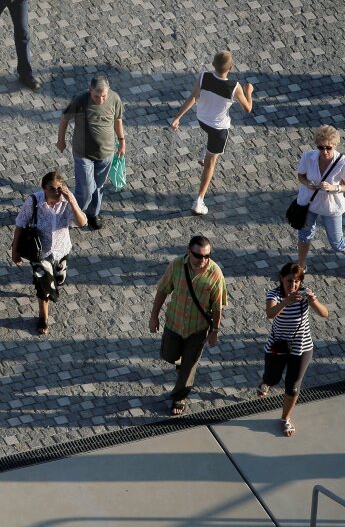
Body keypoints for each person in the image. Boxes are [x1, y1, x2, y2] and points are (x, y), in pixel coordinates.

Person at [148, 235, 228, 417]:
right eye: (199, 256)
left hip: (197, 329)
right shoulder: (177, 265)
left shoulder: (215, 273)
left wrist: (214, 331)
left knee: (189, 366)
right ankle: (180, 364)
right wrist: (154, 317)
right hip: (174, 323)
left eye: (207, 256)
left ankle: (179, 397)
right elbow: (163, 290)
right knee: (167, 354)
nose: (203, 260)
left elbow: (217, 307)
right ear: (188, 252)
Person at [168, 50, 254, 216]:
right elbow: (248, 108)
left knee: (210, 147)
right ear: (231, 67)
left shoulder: (204, 77)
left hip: (202, 120)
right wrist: (248, 91)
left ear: (213, 64)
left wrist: (177, 118)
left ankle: (205, 152)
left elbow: (193, 98)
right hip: (219, 130)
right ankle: (199, 202)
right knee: (210, 163)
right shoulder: (234, 87)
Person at [258, 263, 330, 438]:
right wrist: (285, 302)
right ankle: (265, 383)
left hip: (302, 347)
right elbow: (270, 313)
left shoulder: (304, 295)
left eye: (297, 282)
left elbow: (324, 314)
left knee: (293, 386)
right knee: (272, 377)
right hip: (278, 345)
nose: (293, 285)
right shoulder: (274, 295)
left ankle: (285, 418)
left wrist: (313, 301)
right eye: (289, 281)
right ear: (281, 279)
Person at [12, 171, 87, 335]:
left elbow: (82, 222)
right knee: (44, 286)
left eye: (60, 188)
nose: (57, 192)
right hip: (40, 253)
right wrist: (14, 250)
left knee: (59, 280)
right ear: (44, 189)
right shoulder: (33, 202)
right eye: (52, 189)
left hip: (61, 250)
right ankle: (43, 316)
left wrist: (72, 201)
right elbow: (20, 224)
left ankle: (46, 284)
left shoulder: (66, 203)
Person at [56, 73, 126, 229]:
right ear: (90, 90)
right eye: (96, 96)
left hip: (106, 153)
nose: (101, 100)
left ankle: (93, 213)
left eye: (103, 96)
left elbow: (118, 120)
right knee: (86, 190)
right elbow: (65, 119)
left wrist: (122, 142)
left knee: (98, 187)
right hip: (83, 154)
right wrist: (61, 141)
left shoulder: (114, 98)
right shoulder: (80, 101)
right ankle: (75, 214)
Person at [294, 125, 345, 278]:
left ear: (335, 145)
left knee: (336, 242)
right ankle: (301, 265)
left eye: (328, 148)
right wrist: (308, 184)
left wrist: (334, 187)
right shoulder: (308, 157)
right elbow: (301, 176)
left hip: (331, 207)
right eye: (321, 147)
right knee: (304, 235)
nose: (324, 151)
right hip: (309, 203)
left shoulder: (344, 163)